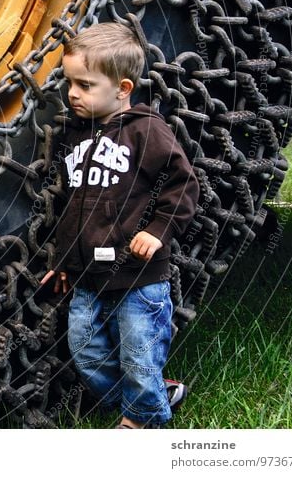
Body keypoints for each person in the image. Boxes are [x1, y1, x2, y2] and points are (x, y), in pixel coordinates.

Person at [40, 22, 200, 429]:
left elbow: (183, 186)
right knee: (85, 350)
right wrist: (65, 261)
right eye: (69, 82)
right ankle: (153, 396)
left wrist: (157, 230)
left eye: (85, 85)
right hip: (88, 276)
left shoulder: (146, 131)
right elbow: (76, 208)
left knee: (138, 351)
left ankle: (141, 421)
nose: (72, 93)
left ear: (123, 88)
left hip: (137, 276)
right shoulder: (77, 138)